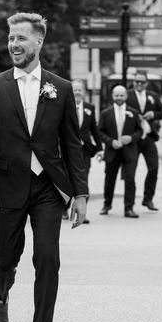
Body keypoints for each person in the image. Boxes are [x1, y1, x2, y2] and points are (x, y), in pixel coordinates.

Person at [0, 12, 88, 322]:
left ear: (39, 41)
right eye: (11, 38)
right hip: (5, 187)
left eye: (21, 38)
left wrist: (80, 194)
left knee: (48, 259)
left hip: (48, 188)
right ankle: (0, 297)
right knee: (4, 257)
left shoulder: (61, 88)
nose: (14, 45)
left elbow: (72, 144)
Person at [126, 70, 162, 211]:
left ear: (146, 83)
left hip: (149, 138)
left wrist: (153, 114)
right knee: (131, 172)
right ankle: (129, 205)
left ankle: (148, 199)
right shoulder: (127, 95)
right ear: (133, 82)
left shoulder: (153, 96)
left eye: (142, 82)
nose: (139, 84)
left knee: (154, 168)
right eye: (136, 81)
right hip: (134, 138)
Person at [98, 85, 142, 218]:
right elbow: (100, 131)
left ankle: (129, 208)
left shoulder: (133, 112)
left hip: (129, 152)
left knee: (130, 180)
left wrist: (131, 138)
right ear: (112, 96)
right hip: (112, 152)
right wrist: (110, 142)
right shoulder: (105, 113)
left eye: (121, 95)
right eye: (117, 95)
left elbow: (140, 131)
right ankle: (107, 205)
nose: (119, 98)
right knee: (109, 180)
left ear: (126, 96)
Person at [63, 80, 103, 223]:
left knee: (83, 180)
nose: (77, 92)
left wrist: (100, 149)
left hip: (84, 151)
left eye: (80, 89)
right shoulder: (64, 106)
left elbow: (94, 130)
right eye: (75, 89)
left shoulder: (90, 108)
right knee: (66, 179)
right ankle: (64, 209)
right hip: (66, 149)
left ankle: (82, 213)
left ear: (84, 92)